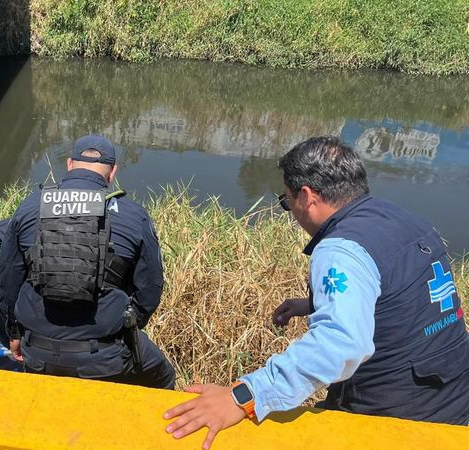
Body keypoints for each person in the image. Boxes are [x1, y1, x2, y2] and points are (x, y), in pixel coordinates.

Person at [164, 136, 469, 449]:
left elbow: (341, 344)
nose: (291, 210)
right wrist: (315, 303)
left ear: (307, 197)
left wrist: (243, 396)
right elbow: (404, 294)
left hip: (396, 420)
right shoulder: (406, 221)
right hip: (454, 399)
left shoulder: (340, 249)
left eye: (287, 201)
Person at [0, 134, 176, 389]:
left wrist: (14, 334)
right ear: (112, 172)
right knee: (163, 375)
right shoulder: (133, 215)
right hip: (105, 356)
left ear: (69, 164)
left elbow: (8, 283)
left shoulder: (31, 205)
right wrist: (128, 323)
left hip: (37, 351)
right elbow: (150, 289)